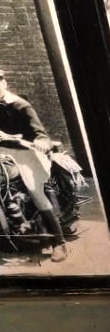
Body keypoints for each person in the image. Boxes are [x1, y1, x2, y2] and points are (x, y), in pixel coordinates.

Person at [0, 68, 69, 260]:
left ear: (4, 83)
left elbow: (40, 134)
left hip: (27, 153)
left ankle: (59, 243)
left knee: (35, 191)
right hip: (3, 153)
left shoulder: (21, 106)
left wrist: (41, 142)